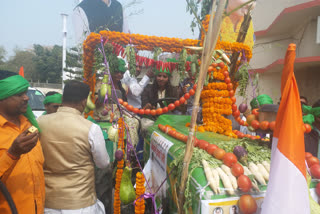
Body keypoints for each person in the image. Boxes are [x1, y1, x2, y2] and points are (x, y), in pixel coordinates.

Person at [37, 80, 110, 214]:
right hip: (80, 203)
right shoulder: (91, 128)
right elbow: (103, 163)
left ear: (63, 98)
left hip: (47, 202)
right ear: (84, 101)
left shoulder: (39, 122)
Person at [0, 70, 45, 214]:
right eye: (19, 94)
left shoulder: (30, 127)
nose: (26, 98)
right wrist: (12, 154)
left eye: (25, 93)